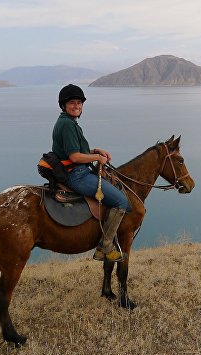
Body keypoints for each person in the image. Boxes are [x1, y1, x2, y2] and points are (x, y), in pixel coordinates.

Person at [52, 84, 131, 263]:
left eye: (79, 103)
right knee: (121, 201)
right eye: (72, 103)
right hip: (77, 175)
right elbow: (74, 156)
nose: (77, 106)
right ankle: (105, 246)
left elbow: (78, 149)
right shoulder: (67, 124)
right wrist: (96, 157)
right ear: (63, 105)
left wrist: (96, 150)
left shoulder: (69, 122)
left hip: (77, 171)